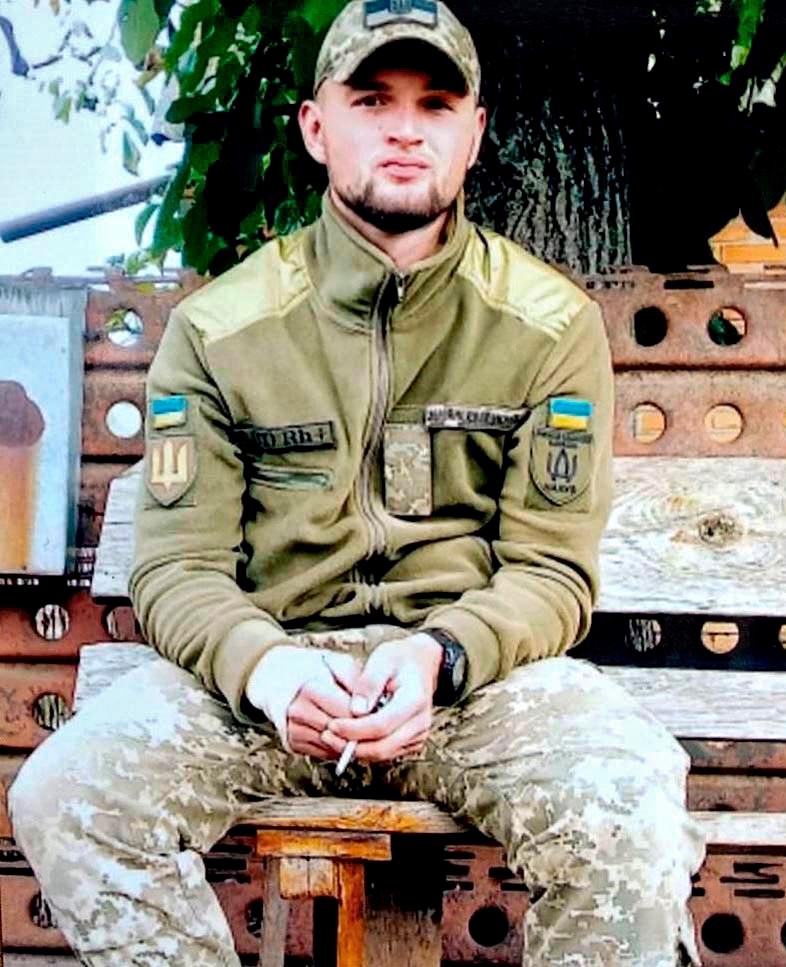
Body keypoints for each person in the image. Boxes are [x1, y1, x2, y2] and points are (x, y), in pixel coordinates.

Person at [9, 2, 706, 964]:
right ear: (315, 127)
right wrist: (268, 668)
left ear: (475, 133)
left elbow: (552, 571)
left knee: (630, 806)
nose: (405, 129)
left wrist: (441, 655)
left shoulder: (548, 324)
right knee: (68, 795)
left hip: (470, 685)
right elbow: (177, 568)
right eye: (373, 100)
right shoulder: (222, 329)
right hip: (270, 684)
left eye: (435, 104)